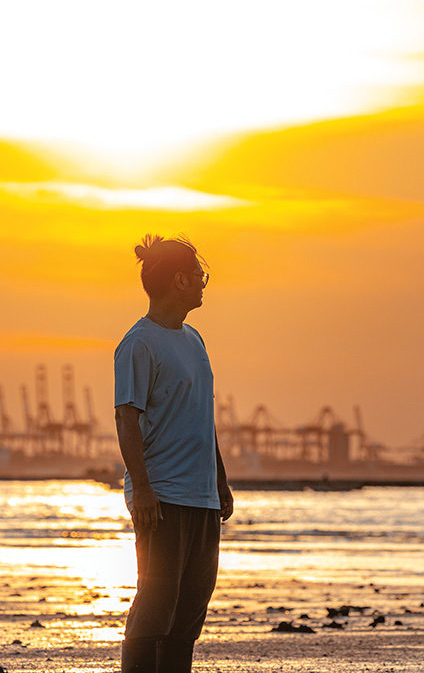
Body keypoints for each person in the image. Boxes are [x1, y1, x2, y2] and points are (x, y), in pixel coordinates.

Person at [114, 234, 234, 673]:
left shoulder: (194, 339)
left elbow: (202, 416)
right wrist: (142, 489)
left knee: (189, 612)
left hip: (201, 495)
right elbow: (126, 419)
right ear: (179, 279)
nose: (204, 284)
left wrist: (219, 481)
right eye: (200, 276)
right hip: (162, 495)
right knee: (156, 604)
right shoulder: (139, 343)